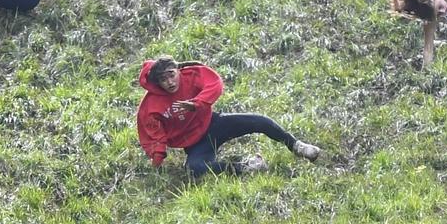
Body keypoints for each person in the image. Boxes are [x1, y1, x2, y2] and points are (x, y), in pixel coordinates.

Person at [135, 56, 321, 176]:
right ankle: (247, 167)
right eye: (163, 79)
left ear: (178, 71)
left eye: (171, 75)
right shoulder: (151, 104)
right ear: (157, 83)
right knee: (195, 169)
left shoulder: (190, 75)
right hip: (195, 145)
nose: (169, 82)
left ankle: (296, 146)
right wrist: (157, 157)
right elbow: (150, 132)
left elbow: (214, 83)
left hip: (214, 124)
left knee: (259, 121)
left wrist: (196, 104)